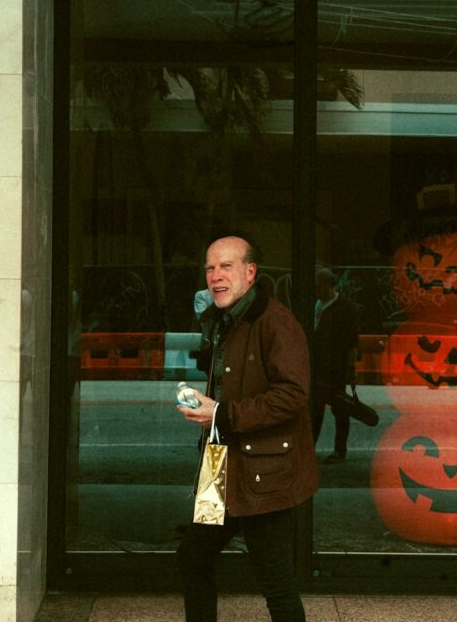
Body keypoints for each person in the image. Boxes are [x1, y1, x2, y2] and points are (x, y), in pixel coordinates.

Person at [176, 234, 318, 622]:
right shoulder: (225, 319)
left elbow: (293, 395)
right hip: (219, 465)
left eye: (226, 266)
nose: (215, 275)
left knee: (276, 583)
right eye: (209, 267)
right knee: (193, 556)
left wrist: (220, 414)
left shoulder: (275, 322)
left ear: (250, 272)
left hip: (263, 471)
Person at [310, 266, 359, 464]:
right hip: (317, 364)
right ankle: (311, 447)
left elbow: (352, 341)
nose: (316, 290)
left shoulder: (345, 307)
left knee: (339, 407)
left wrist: (351, 368)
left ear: (329, 285)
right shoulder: (316, 304)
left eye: (319, 286)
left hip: (335, 365)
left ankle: (340, 450)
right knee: (315, 408)